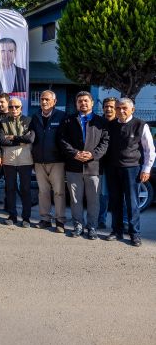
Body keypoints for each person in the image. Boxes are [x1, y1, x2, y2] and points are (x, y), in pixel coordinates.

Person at [58, 91, 109, 240]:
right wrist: (74, 153)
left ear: (92, 103)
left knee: (94, 200)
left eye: (86, 100)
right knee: (75, 199)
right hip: (73, 166)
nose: (83, 103)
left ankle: (92, 227)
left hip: (94, 167)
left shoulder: (101, 122)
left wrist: (92, 154)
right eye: (80, 101)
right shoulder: (68, 120)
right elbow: (62, 140)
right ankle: (78, 226)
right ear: (76, 104)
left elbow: (105, 142)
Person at [105, 98, 155, 247]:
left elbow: (149, 149)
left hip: (132, 168)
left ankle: (135, 234)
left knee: (132, 203)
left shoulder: (140, 125)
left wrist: (146, 169)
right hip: (113, 168)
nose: (121, 111)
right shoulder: (111, 125)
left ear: (132, 110)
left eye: (124, 108)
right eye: (118, 108)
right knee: (115, 201)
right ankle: (117, 231)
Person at [30, 91, 67, 233]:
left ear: (54, 101)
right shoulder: (35, 116)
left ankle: (60, 221)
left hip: (57, 161)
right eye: (42, 99)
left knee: (59, 192)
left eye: (47, 99)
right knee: (43, 192)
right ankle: (45, 219)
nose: (44, 102)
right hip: (39, 161)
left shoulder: (62, 116)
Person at [0, 97, 34, 227]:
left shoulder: (29, 120)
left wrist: (12, 137)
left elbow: (30, 139)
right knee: (10, 188)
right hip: (9, 159)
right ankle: (12, 216)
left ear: (21, 108)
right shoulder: (2, 122)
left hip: (26, 159)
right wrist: (21, 140)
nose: (14, 109)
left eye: (16, 107)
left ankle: (26, 218)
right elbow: (2, 140)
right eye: (11, 107)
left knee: (25, 189)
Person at [98, 97, 118, 229]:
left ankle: (122, 222)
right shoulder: (99, 123)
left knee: (120, 196)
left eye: (112, 106)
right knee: (103, 195)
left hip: (119, 165)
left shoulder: (121, 122)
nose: (109, 109)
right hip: (102, 165)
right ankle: (101, 220)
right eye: (106, 106)